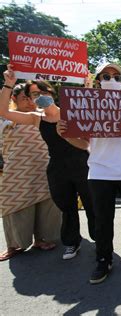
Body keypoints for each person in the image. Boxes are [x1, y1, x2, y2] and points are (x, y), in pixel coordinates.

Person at [58, 62, 121, 285]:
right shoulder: (87, 106)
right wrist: (65, 135)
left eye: (116, 76)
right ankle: (103, 259)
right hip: (99, 172)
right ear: (98, 80)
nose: (112, 79)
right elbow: (82, 142)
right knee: (103, 220)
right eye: (106, 75)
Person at [0, 65, 95, 261]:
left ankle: (101, 240)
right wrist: (8, 84)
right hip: (57, 169)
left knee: (93, 206)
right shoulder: (36, 119)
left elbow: (88, 133)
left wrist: (88, 87)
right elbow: (5, 113)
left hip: (82, 165)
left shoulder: (71, 111)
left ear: (51, 92)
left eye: (42, 92)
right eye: (34, 95)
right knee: (67, 208)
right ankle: (71, 243)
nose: (39, 97)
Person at [0, 82, 61, 260]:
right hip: (16, 172)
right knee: (15, 206)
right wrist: (8, 85)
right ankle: (15, 245)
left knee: (47, 205)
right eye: (25, 98)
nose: (30, 101)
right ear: (14, 99)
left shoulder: (45, 116)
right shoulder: (6, 120)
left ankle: (42, 239)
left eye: (33, 97)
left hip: (44, 168)